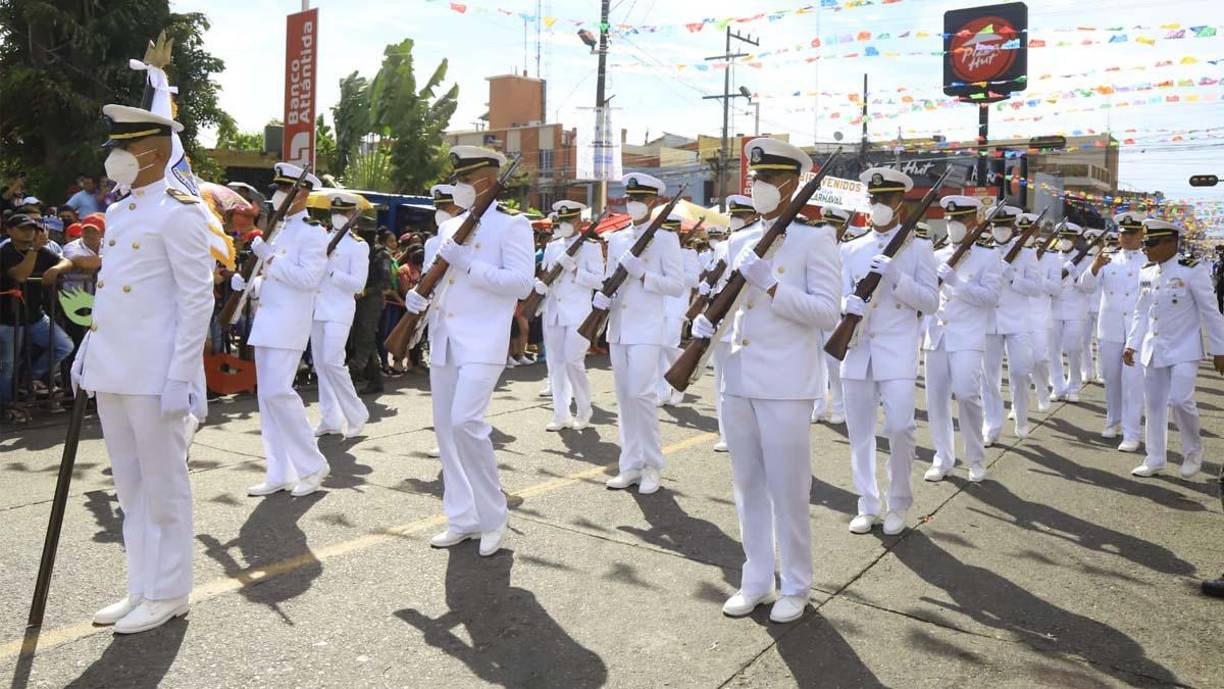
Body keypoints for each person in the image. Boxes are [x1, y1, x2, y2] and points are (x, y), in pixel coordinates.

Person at [69, 104, 215, 633]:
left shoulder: (179, 211)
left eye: (125, 148)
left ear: (153, 151)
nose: (116, 157)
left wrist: (182, 375)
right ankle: (141, 586)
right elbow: (114, 289)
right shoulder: (126, 209)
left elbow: (197, 300)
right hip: (115, 364)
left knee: (164, 486)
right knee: (129, 487)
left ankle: (171, 591)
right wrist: (91, 345)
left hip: (155, 371)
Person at [692, 137, 840, 623]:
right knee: (747, 483)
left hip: (786, 382)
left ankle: (796, 583)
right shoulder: (737, 240)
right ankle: (756, 578)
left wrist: (773, 284)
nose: (758, 187)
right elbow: (733, 308)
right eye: (755, 179)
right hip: (737, 378)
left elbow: (827, 313)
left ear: (792, 184)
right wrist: (706, 327)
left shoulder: (814, 239)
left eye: (769, 179)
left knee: (789, 488)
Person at [402, 146, 534, 556]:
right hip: (445, 338)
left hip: (482, 340)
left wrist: (471, 265)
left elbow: (521, 284)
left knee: (465, 423)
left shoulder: (513, 225)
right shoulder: (449, 227)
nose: (457, 187)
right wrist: (418, 301)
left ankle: (493, 515)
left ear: (485, 180)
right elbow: (440, 281)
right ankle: (462, 517)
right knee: (446, 432)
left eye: (463, 180)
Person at [841, 167, 939, 536]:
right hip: (857, 348)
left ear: (900, 204)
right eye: (875, 199)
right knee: (860, 433)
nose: (880, 205)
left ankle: (898, 502)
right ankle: (867, 503)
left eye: (887, 199)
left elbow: (930, 302)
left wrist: (898, 278)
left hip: (897, 349)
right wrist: (846, 304)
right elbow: (836, 294)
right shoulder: (850, 249)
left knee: (900, 427)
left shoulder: (920, 249)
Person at [232, 162, 330, 498]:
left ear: (301, 194)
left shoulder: (314, 232)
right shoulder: (279, 229)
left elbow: (308, 280)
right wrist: (250, 284)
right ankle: (279, 471)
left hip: (290, 323)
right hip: (267, 321)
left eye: (285, 189)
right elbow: (274, 278)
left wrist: (270, 258)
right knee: (267, 399)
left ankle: (312, 464)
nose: (278, 195)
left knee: (277, 392)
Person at [597, 172, 685, 495]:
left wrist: (645, 275)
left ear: (653, 201)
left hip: (647, 328)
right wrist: (603, 295)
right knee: (623, 398)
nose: (633, 203)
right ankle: (629, 464)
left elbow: (676, 286)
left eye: (640, 199)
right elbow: (611, 278)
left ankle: (652, 465)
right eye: (630, 198)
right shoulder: (619, 238)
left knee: (642, 396)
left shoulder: (665, 238)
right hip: (618, 328)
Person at [1124, 219, 1224, 478]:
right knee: (1155, 406)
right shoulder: (1146, 272)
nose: (1146, 248)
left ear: (1172, 242)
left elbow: (1211, 312)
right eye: (1145, 242)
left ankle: (1193, 450)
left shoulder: (1191, 270)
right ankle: (1155, 458)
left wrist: (1220, 349)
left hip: (1184, 348)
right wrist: (1132, 344)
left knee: (1180, 400)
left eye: (1152, 243)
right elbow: (1141, 311)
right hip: (1153, 348)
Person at [922, 196, 1002, 483]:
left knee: (968, 394)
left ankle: (976, 458)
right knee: (936, 400)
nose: (954, 225)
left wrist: (958, 283)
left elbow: (991, 298)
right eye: (950, 220)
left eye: (960, 220)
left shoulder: (988, 256)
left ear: (974, 223)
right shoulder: (936, 254)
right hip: (937, 335)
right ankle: (943, 457)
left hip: (967, 335)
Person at [532, 200, 604, 431]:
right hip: (553, 312)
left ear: (579, 222)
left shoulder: (591, 247)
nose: (564, 224)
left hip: (577, 313)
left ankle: (583, 410)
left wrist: (575, 269)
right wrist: (542, 287)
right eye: (561, 220)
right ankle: (560, 414)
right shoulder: (553, 246)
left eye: (569, 220)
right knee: (555, 365)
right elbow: (549, 275)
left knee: (574, 362)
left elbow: (600, 281)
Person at [1078, 213, 1147, 452]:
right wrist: (1094, 268)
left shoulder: (1149, 261)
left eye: (1131, 233)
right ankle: (1113, 421)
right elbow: (1085, 287)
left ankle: (1131, 432)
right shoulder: (1107, 259)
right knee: (1111, 378)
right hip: (1110, 328)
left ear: (1141, 235)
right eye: (1123, 233)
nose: (1126, 237)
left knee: (1133, 381)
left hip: (1137, 330)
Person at [1, 213, 74, 413]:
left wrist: (56, 269)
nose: (29, 232)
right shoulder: (5, 250)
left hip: (35, 316)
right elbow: (20, 275)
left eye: (32, 229)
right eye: (23, 228)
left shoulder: (41, 251)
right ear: (9, 230)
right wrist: (34, 249)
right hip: (7, 319)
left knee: (63, 346)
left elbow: (67, 262)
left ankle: (28, 378)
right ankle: (7, 406)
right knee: (8, 365)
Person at [311, 193, 370, 438]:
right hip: (318, 308)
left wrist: (333, 272)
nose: (337, 217)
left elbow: (359, 284)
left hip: (340, 309)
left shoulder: (358, 245)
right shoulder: (322, 239)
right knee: (321, 365)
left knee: (333, 362)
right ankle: (330, 418)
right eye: (334, 212)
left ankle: (356, 413)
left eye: (343, 213)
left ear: (351, 217)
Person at [981, 206, 1040, 445]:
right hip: (989, 321)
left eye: (1006, 226)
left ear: (1014, 227)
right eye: (997, 226)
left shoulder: (1026, 254)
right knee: (988, 377)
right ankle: (992, 424)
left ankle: (1021, 417)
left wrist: (1013, 277)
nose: (1001, 231)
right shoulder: (982, 252)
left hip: (1018, 322)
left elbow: (1036, 289)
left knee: (1020, 371)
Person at [707, 194, 757, 452]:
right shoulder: (722, 246)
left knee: (748, 384)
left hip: (743, 321)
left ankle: (749, 434)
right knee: (721, 383)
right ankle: (726, 433)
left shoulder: (757, 240)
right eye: (733, 215)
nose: (736, 220)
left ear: (753, 216)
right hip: (720, 319)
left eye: (741, 215)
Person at [812, 205, 853, 426]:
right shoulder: (813, 246)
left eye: (833, 225)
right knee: (814, 360)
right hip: (813, 309)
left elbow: (848, 285)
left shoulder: (846, 250)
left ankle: (839, 406)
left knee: (833, 362)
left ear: (842, 228)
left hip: (836, 311)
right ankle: (818, 407)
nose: (827, 229)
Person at [657, 228, 702, 407]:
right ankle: (661, 392)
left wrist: (675, 271)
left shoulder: (687, 253)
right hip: (657, 305)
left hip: (676, 305)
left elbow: (695, 280)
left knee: (668, 345)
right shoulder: (657, 250)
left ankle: (679, 383)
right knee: (658, 349)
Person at [1049, 222, 1093, 403]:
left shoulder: (1086, 259)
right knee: (1052, 350)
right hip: (1054, 308)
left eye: (1068, 237)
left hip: (1076, 309)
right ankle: (1058, 386)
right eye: (1062, 237)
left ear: (1075, 239)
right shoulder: (1050, 257)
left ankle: (1074, 385)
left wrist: (1074, 273)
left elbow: (1089, 287)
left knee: (1073, 349)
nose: (1065, 241)